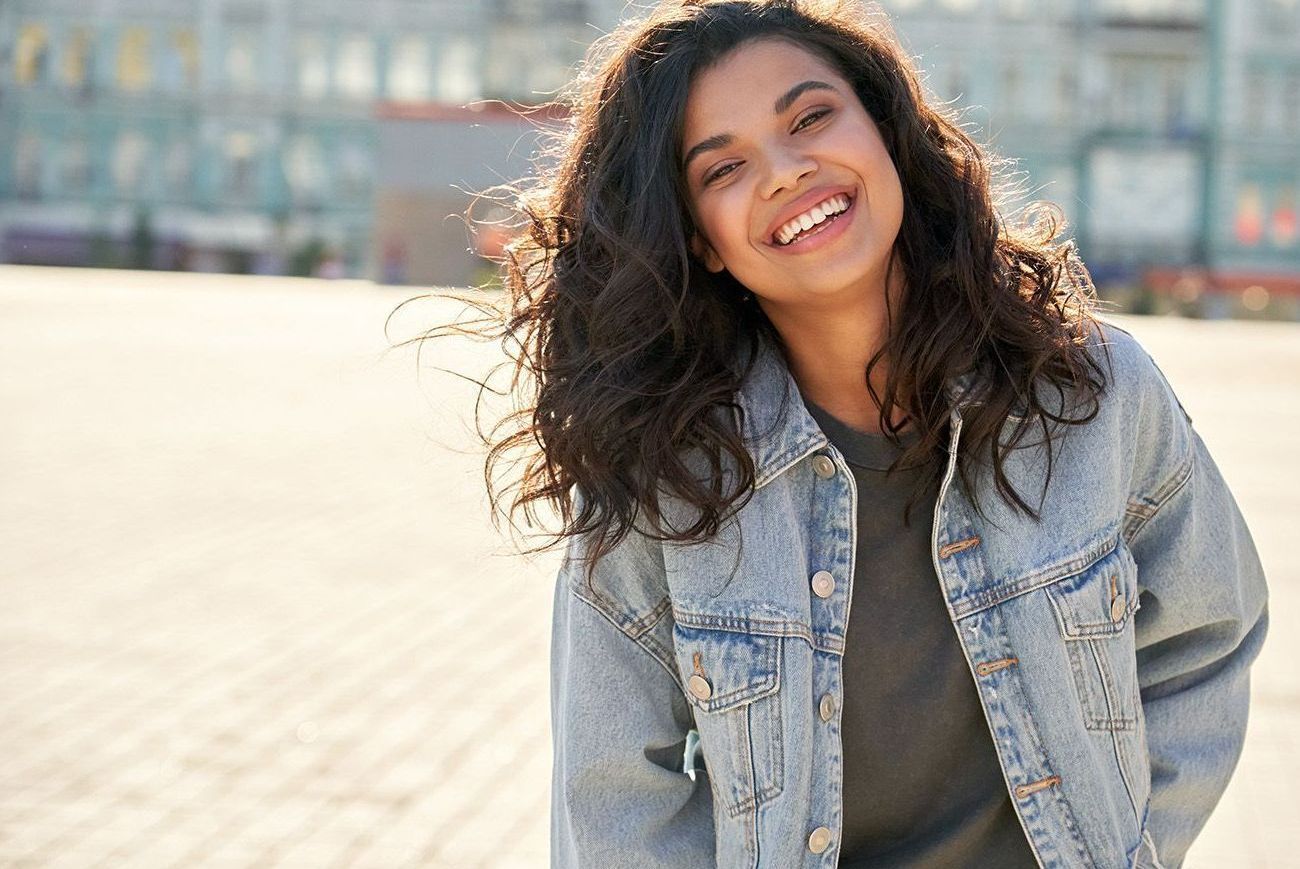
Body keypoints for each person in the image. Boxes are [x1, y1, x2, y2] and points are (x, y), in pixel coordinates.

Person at [467, 1, 1270, 866]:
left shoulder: (1089, 392)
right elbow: (613, 799)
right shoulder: (662, 479)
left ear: (884, 130)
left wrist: (1130, 848)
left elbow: (1207, 634)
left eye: (812, 116)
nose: (785, 171)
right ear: (700, 240)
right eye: (724, 167)